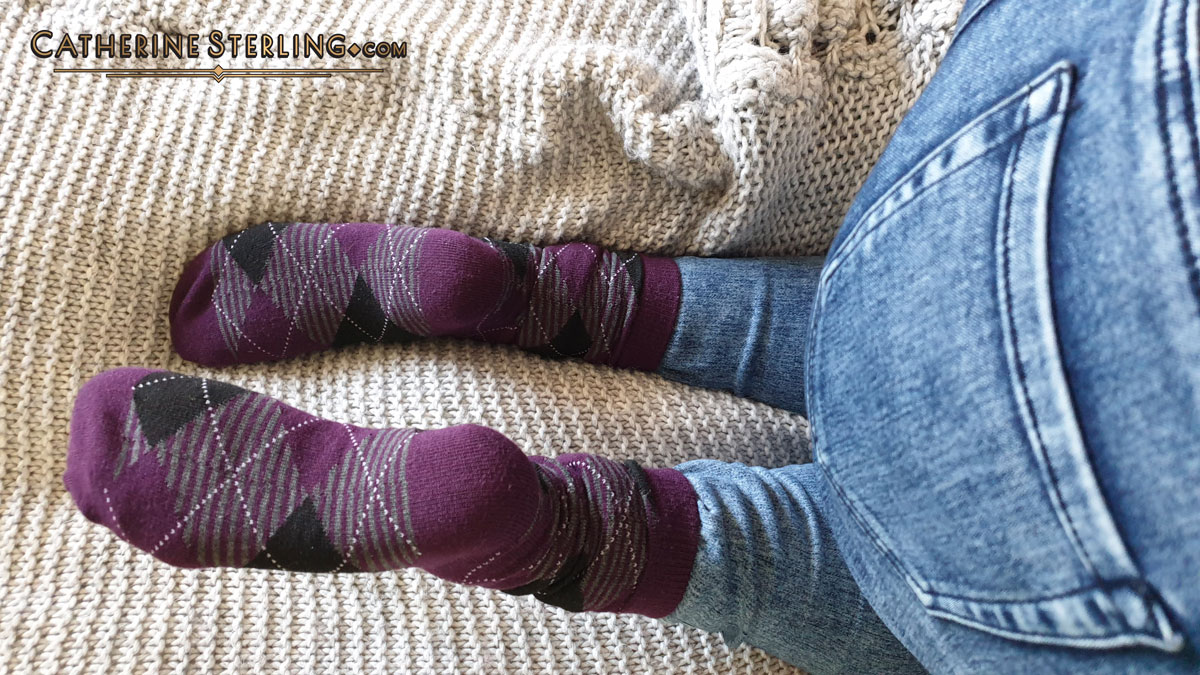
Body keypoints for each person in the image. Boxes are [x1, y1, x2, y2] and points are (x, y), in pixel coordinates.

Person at [62, 0, 1200, 671]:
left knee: (920, 316)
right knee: (876, 561)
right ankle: (559, 527)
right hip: (1089, 544)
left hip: (1031, 160)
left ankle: (555, 293)